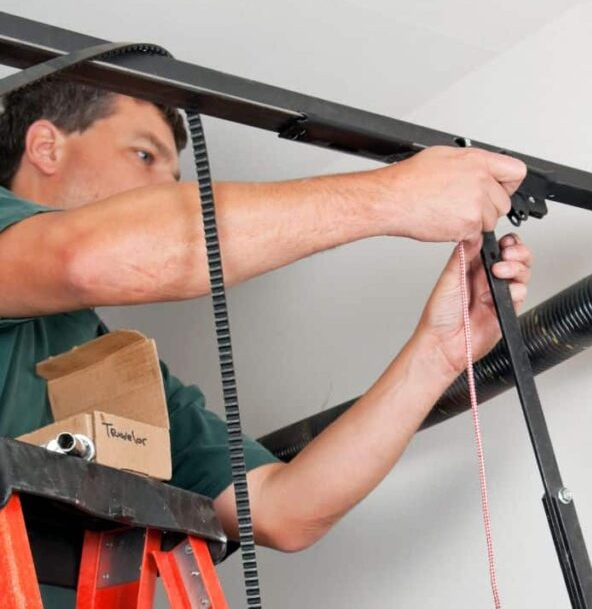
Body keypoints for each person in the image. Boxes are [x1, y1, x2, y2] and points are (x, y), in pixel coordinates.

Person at [0, 80, 532, 582]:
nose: (164, 186)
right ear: (46, 147)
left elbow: (286, 509)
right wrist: (395, 195)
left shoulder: (115, 371)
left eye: (174, 177)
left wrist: (439, 353)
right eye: (144, 156)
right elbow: (85, 258)